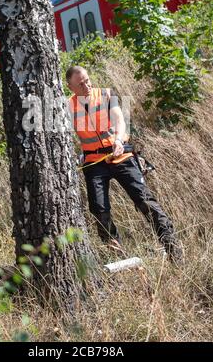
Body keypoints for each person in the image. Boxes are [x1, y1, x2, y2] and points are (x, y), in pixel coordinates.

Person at [67, 65, 183, 264]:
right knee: (99, 209)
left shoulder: (106, 94)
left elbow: (120, 120)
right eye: (81, 84)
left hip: (121, 155)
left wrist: (119, 141)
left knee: (145, 201)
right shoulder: (67, 106)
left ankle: (173, 250)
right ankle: (118, 258)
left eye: (87, 80)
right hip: (94, 162)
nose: (87, 85)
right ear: (71, 87)